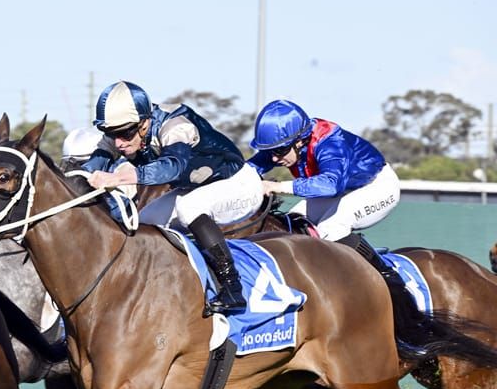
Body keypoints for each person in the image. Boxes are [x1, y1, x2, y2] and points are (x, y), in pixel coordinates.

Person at [81, 81, 264, 314]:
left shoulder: (176, 126)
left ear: (144, 123)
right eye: (111, 134)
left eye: (125, 133)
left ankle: (232, 287)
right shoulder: (123, 132)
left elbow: (173, 167)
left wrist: (122, 177)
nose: (119, 142)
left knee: (190, 207)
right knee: (142, 224)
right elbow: (91, 166)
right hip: (197, 188)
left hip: (238, 184)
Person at [246, 99, 403, 286]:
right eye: (269, 151)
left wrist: (279, 187)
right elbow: (247, 170)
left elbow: (331, 185)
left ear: (300, 141)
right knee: (293, 223)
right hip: (341, 192)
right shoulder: (287, 143)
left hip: (376, 186)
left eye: (280, 151)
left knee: (332, 227)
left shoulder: (330, 142)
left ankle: (386, 278)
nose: (273, 158)